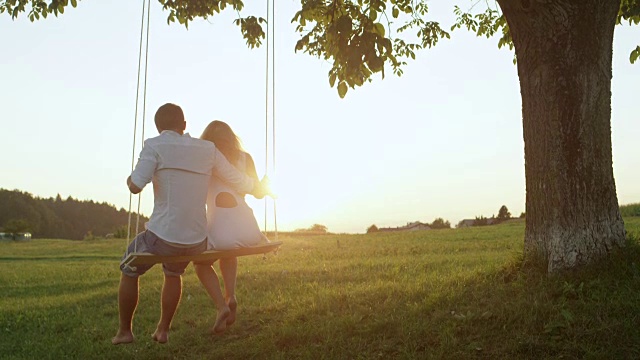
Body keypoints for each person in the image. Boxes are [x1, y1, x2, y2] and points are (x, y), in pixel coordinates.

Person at [112, 104, 266, 345]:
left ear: (159, 128)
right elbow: (240, 181)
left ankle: (124, 331)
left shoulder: (154, 145)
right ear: (184, 126)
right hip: (195, 241)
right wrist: (261, 187)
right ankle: (162, 330)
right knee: (173, 273)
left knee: (128, 266)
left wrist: (131, 179)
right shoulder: (207, 149)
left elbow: (136, 186)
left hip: (161, 237)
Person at [193, 120, 270, 334]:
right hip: (248, 228)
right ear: (232, 137)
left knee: (200, 263)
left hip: (219, 225)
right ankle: (231, 296)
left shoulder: (204, 159)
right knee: (230, 249)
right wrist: (264, 184)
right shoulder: (246, 158)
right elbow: (258, 192)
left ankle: (221, 306)